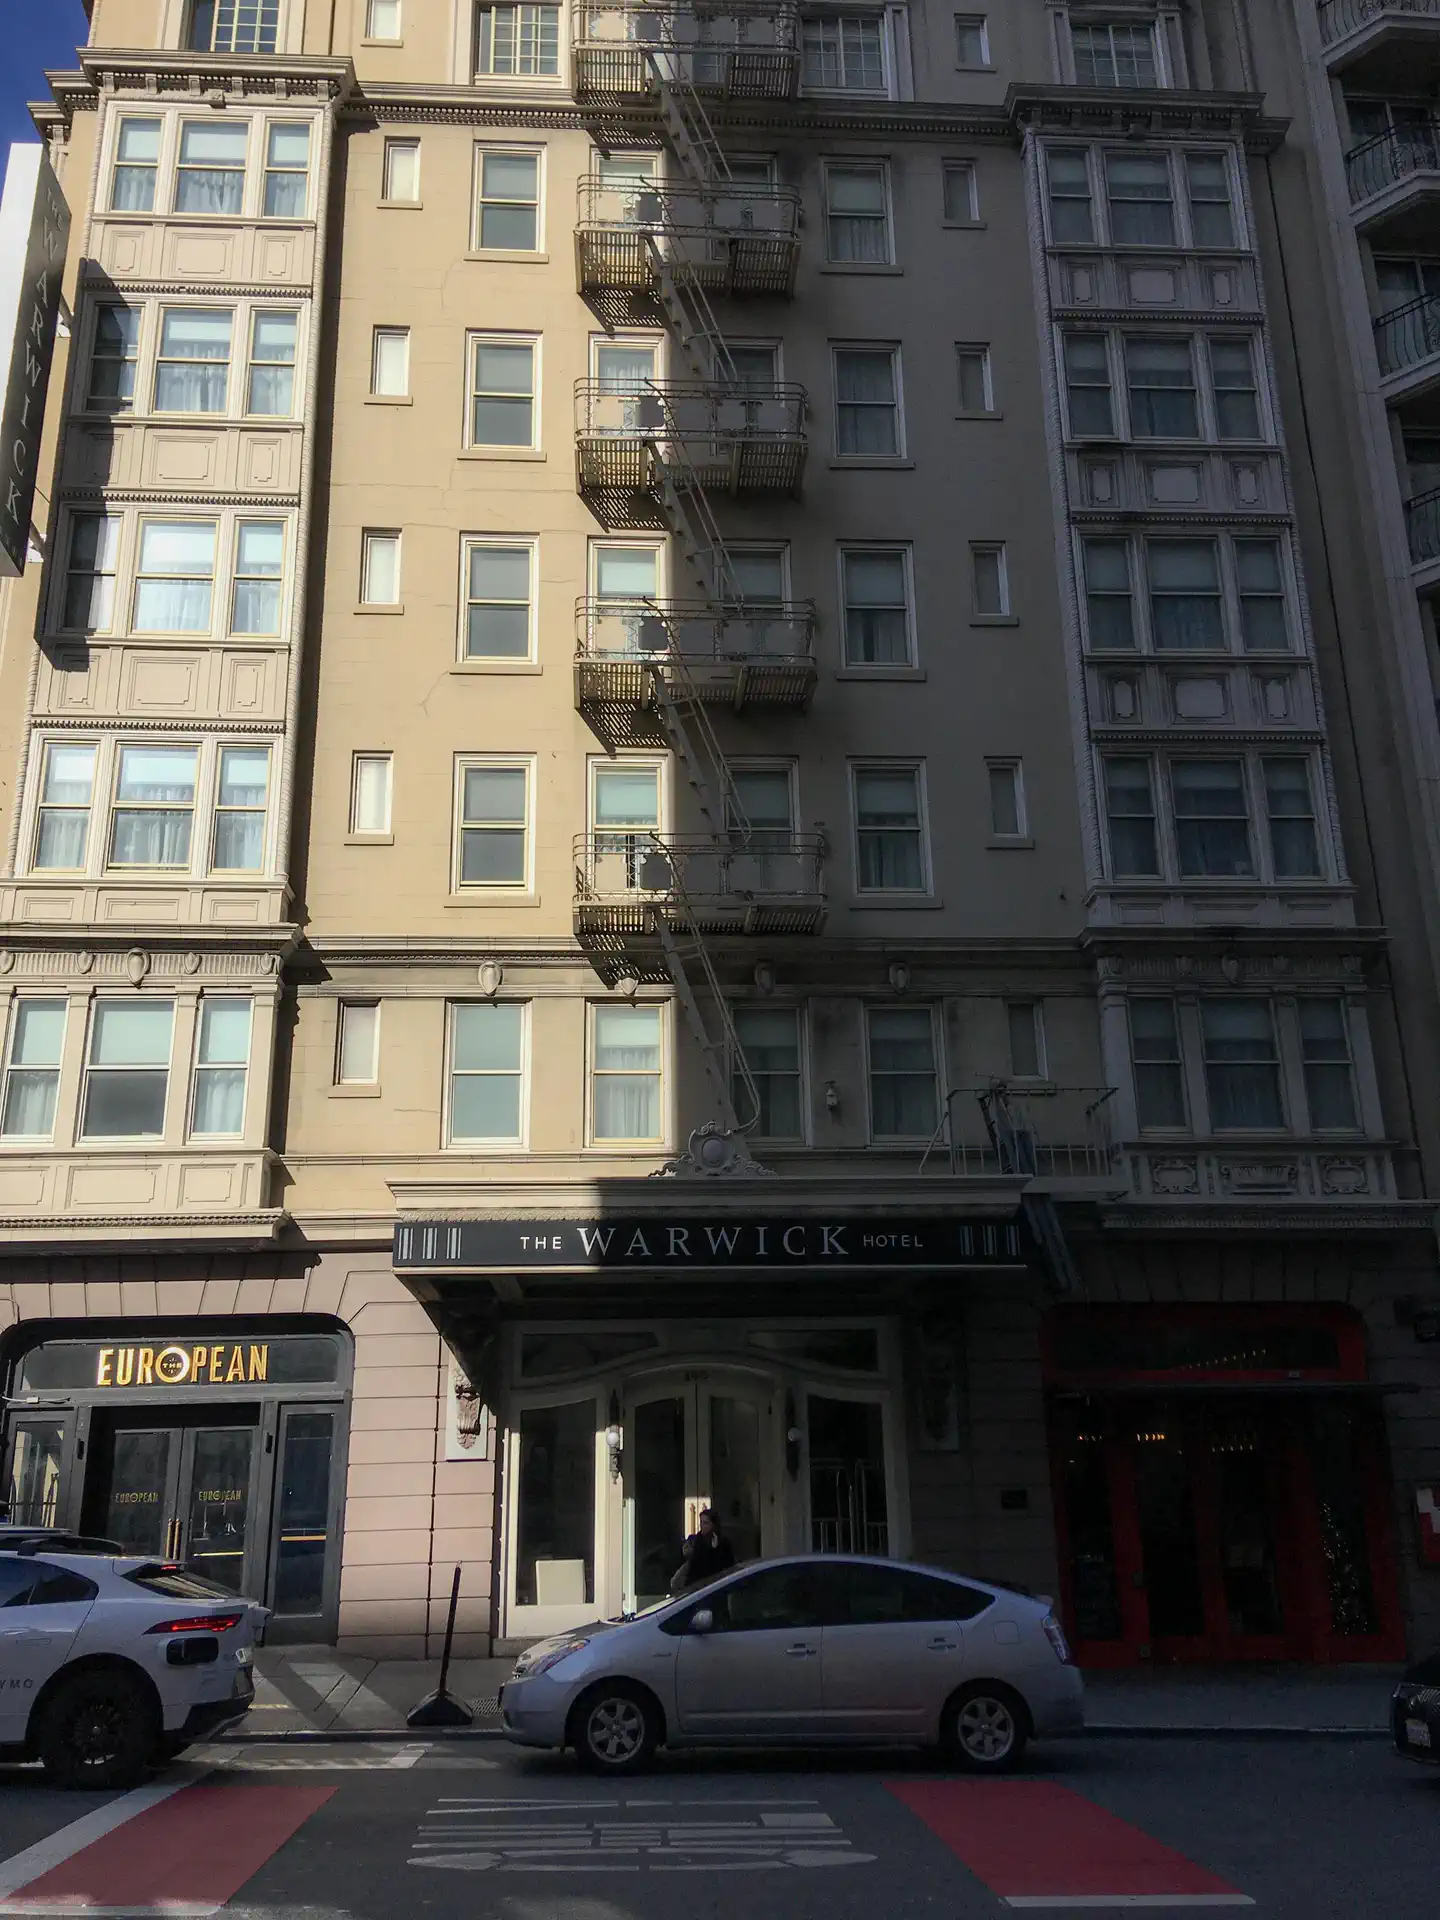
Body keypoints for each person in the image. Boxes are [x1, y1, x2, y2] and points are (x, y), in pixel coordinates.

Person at [672, 1507, 736, 1591]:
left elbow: (725, 1566)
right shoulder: (697, 1540)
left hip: (715, 1586)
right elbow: (694, 1566)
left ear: (714, 1525)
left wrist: (715, 1550)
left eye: (706, 1523)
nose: (702, 1526)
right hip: (696, 1586)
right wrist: (687, 1555)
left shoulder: (723, 1543)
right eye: (701, 1523)